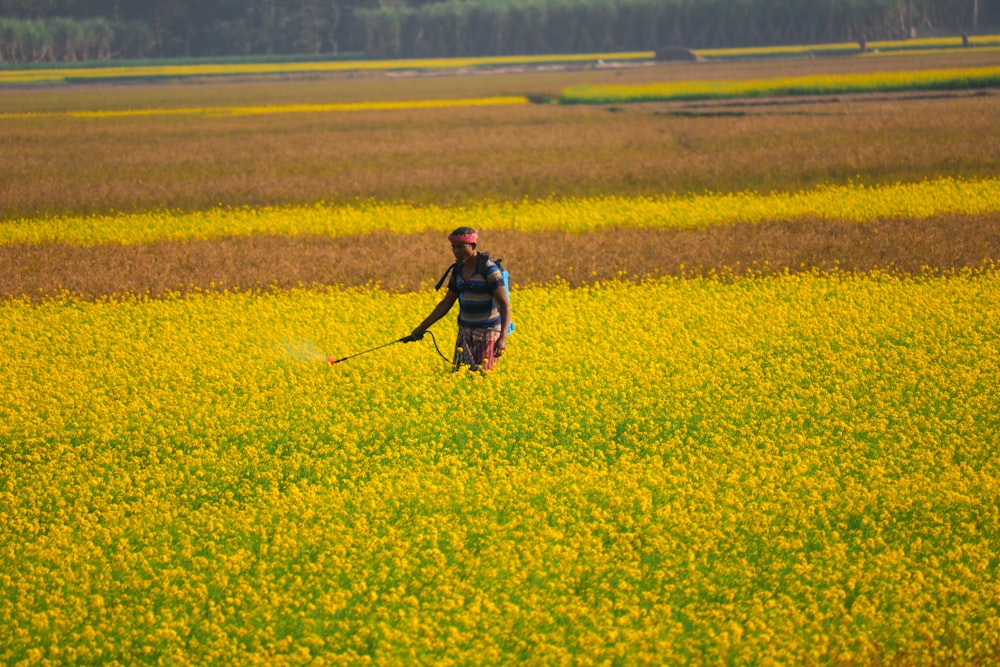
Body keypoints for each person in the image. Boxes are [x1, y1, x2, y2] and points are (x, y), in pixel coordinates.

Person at [408, 227, 511, 371]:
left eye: (460, 247)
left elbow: (504, 305)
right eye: (453, 247)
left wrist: (503, 337)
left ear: (473, 246)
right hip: (465, 333)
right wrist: (421, 328)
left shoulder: (488, 270)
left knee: (482, 377)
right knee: (461, 375)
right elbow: (446, 303)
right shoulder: (458, 270)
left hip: (488, 333)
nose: (455, 251)